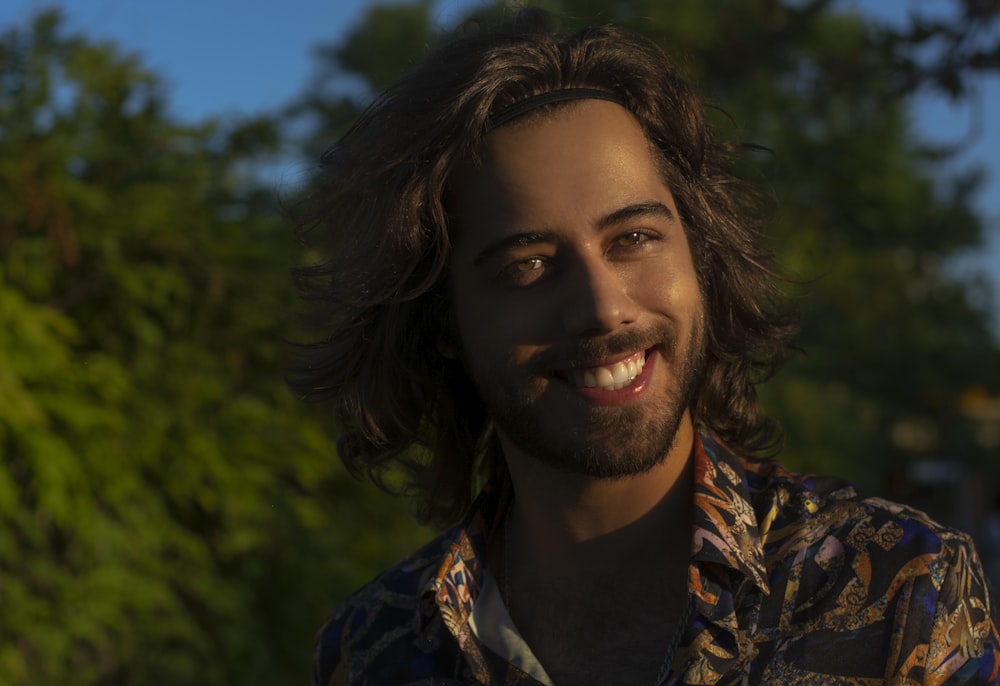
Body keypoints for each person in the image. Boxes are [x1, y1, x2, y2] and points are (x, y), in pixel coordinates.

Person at [290, 10, 1000, 685]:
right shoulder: (370, 648)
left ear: (700, 255)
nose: (603, 307)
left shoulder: (904, 589)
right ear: (440, 322)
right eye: (528, 264)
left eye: (633, 239)